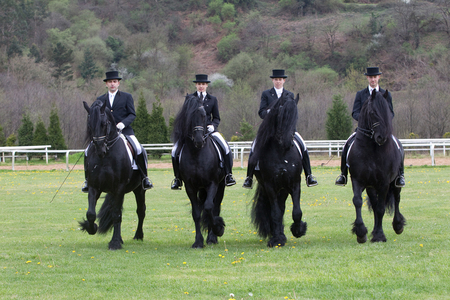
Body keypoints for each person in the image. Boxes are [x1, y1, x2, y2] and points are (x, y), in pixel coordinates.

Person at [242, 69, 318, 189]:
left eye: (280, 80)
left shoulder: (289, 95)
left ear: (284, 80)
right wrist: (269, 112)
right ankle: (249, 177)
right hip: (269, 129)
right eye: (276, 79)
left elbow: (292, 112)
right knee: (254, 146)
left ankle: (309, 175)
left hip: (287, 129)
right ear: (273, 80)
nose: (278, 82)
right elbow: (261, 112)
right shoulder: (266, 94)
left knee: (303, 145)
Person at [82, 69, 153, 192]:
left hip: (124, 131)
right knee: (87, 151)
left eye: (114, 81)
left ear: (118, 83)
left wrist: (122, 124)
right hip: (105, 134)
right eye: (110, 82)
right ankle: (87, 181)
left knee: (138, 148)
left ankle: (144, 178)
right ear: (106, 84)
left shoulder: (126, 97)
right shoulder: (100, 99)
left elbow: (132, 114)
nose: (112, 84)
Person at [335, 66, 406, 187]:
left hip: (381, 130)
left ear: (378, 77)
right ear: (367, 78)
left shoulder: (385, 94)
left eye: (374, 77)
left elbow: (391, 113)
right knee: (347, 144)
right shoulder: (360, 94)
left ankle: (400, 175)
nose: (373, 80)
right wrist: (364, 120)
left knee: (397, 145)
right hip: (364, 131)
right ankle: (343, 174)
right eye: (370, 77)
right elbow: (355, 112)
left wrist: (384, 123)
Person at [170, 74, 236, 189]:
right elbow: (185, 117)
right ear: (196, 85)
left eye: (203, 84)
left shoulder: (212, 99)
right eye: (199, 84)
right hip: (193, 132)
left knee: (225, 147)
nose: (201, 86)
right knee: (175, 150)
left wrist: (213, 126)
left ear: (206, 85)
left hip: (209, 131)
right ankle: (177, 179)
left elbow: (216, 118)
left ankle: (228, 175)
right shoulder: (189, 98)